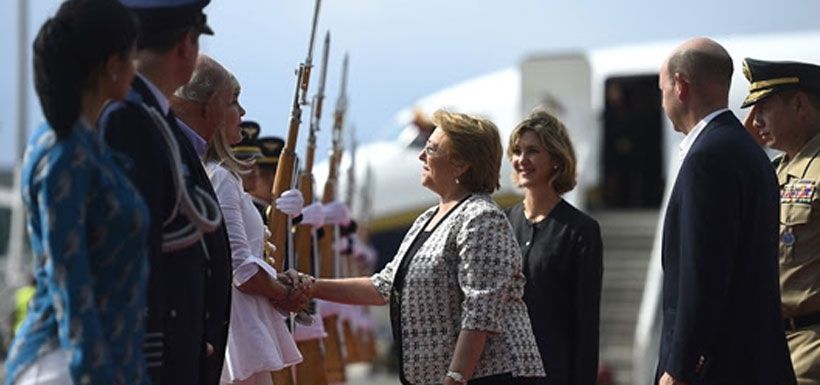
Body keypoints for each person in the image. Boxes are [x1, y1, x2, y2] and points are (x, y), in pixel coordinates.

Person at [301, 109, 545, 385]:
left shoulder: (482, 217)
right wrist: (310, 286)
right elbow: (384, 286)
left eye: (431, 148)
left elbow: (482, 310)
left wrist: (455, 377)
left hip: (488, 376)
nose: (421, 156)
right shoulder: (427, 219)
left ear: (461, 164)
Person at [5, 0, 148, 384]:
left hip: (97, 361)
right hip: (66, 365)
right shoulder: (63, 153)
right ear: (112, 65)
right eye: (131, 58)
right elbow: (70, 278)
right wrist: (96, 372)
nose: (135, 69)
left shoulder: (87, 146)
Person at [99, 1, 232, 384]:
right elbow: (134, 251)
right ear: (185, 46)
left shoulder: (151, 118)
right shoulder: (131, 120)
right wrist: (164, 350)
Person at [655, 37, 796, 385]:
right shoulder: (747, 151)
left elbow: (702, 273)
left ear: (680, 86)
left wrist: (682, 367)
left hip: (719, 367)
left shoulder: (707, 157)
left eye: (662, 90)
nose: (662, 101)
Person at [505, 108, 603, 385]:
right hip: (499, 373)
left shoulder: (581, 231)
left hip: (552, 373)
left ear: (556, 161)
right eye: (517, 151)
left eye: (533, 151)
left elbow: (586, 323)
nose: (522, 160)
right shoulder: (501, 223)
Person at [741, 58, 820, 385]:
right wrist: (742, 144)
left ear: (800, 104)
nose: (754, 120)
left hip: (811, 352)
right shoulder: (774, 171)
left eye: (763, 108)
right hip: (773, 346)